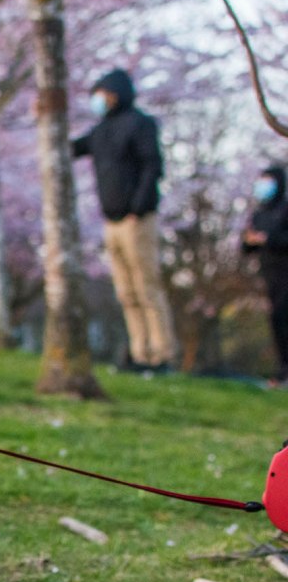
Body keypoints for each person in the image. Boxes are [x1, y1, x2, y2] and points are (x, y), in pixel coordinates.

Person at [73, 68, 177, 372]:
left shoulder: (140, 124)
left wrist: (138, 209)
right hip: (111, 222)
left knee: (146, 286)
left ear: (115, 94)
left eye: (102, 94)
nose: (98, 100)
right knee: (126, 291)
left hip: (136, 220)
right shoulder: (101, 131)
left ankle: (162, 353)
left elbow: (152, 166)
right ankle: (140, 353)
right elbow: (71, 148)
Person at [241, 164, 288, 386]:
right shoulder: (258, 213)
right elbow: (246, 246)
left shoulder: (285, 209)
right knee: (277, 320)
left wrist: (268, 239)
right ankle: (283, 369)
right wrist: (249, 241)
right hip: (270, 275)